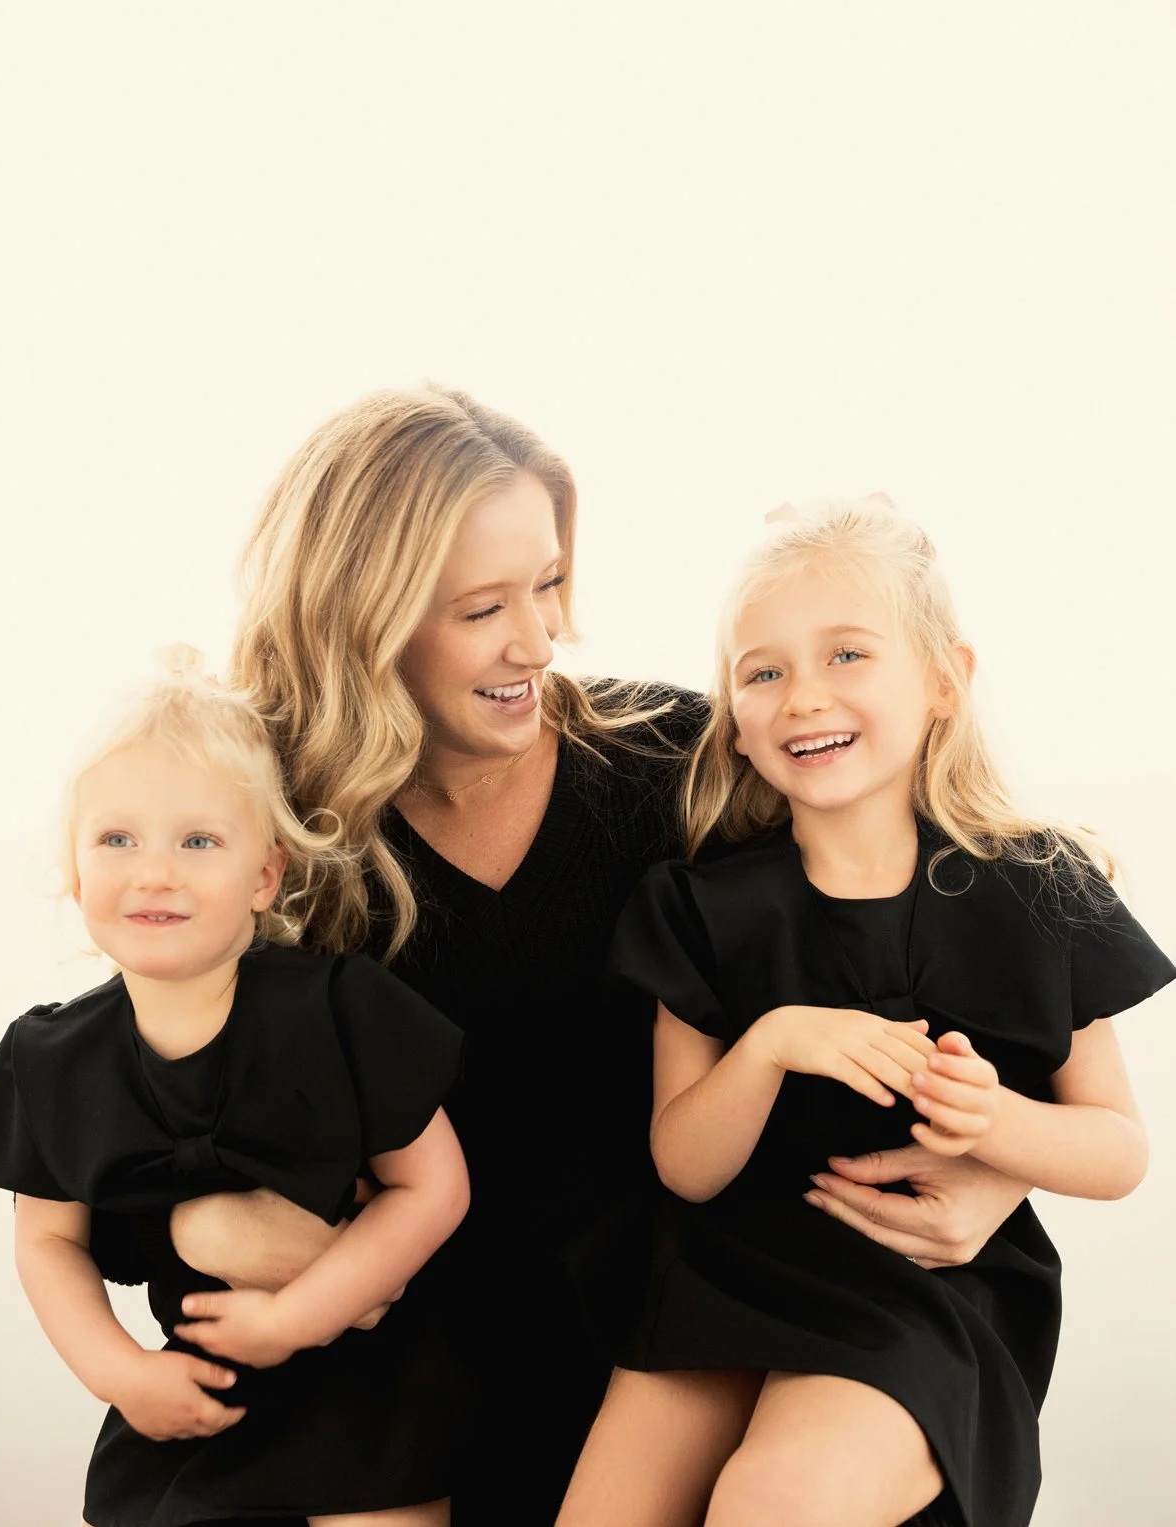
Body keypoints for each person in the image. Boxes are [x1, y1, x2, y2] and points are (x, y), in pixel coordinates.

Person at [163, 391, 1046, 1526]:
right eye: (483, 607)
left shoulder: (674, 764)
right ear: (363, 618)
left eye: (548, 584)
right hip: (408, 1332)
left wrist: (1007, 1168)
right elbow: (136, 1090)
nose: (538, 640)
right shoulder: (263, 826)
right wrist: (194, 1224)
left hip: (672, 1330)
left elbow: (924, 925)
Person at [554, 500, 1175, 1527]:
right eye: (763, 672)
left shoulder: (1037, 890)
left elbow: (1118, 1150)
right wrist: (770, 1044)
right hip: (723, 1276)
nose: (804, 695)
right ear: (735, 719)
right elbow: (687, 1166)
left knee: (774, 1502)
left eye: (846, 654)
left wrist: (996, 1123)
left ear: (943, 681)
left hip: (924, 1283)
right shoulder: (698, 908)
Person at [0, 653, 470, 1527]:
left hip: (368, 1371)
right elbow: (47, 1240)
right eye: (117, 839)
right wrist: (121, 1372)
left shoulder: (335, 1009)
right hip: (202, 1382)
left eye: (197, 841)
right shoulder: (50, 1058)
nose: (154, 872)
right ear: (75, 869)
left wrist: (299, 1317)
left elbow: (434, 1187)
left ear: (266, 875)